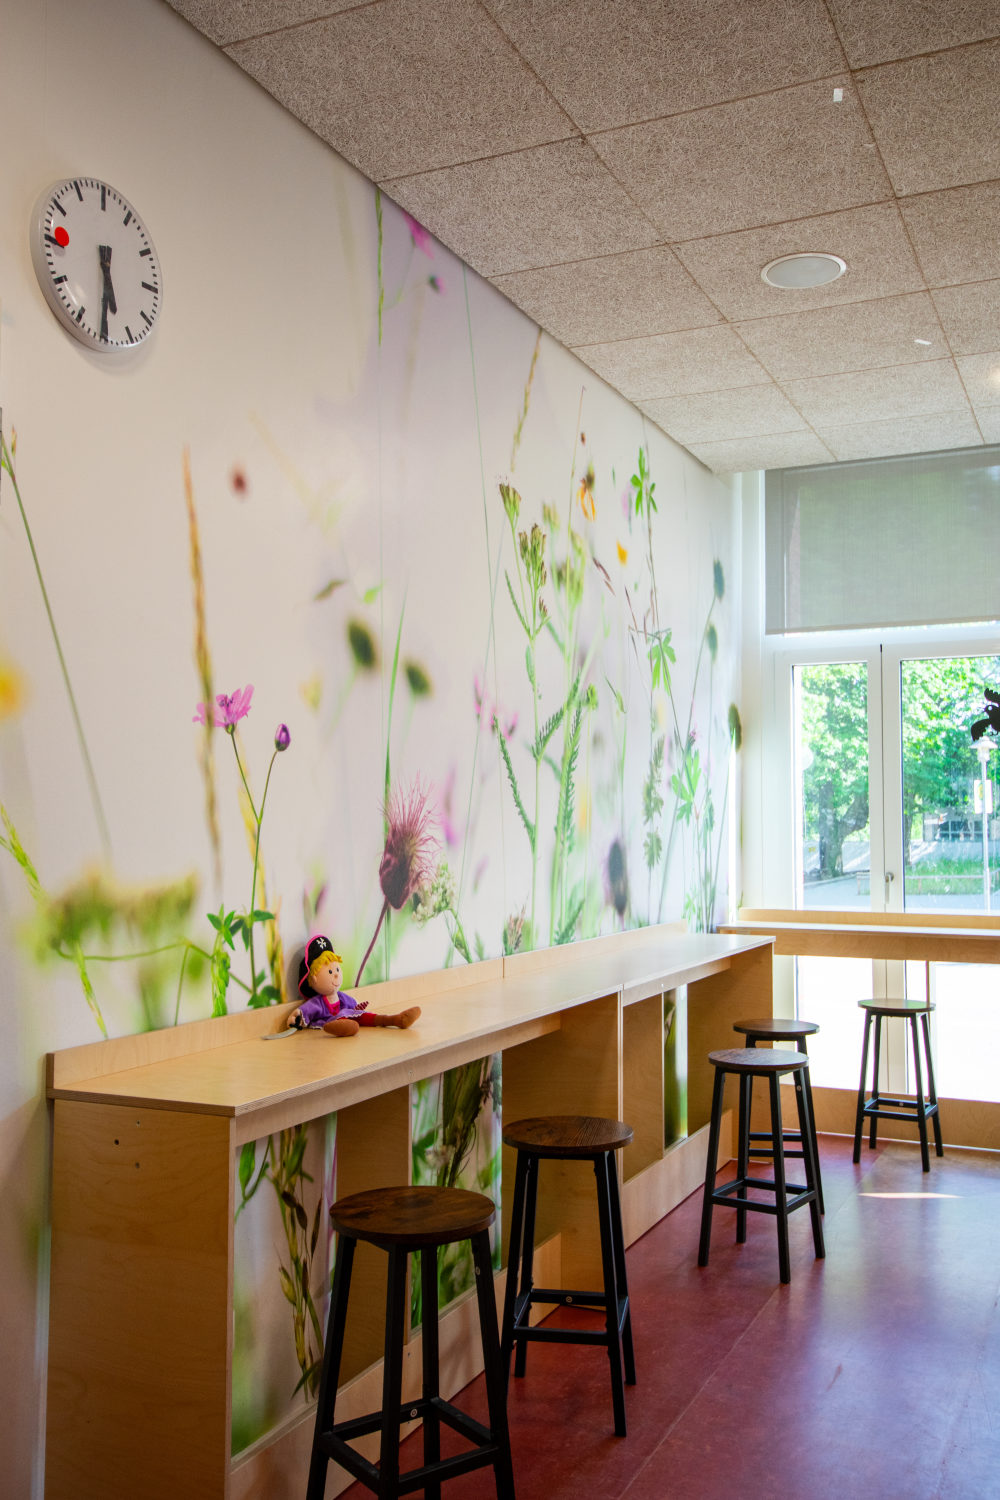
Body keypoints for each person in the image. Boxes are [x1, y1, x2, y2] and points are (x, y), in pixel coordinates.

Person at [289, 934, 421, 1036]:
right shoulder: (318, 1002)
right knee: (344, 1017)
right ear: (314, 979)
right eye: (330, 971)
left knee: (363, 1015)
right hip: (330, 1022)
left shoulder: (340, 997)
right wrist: (295, 1018)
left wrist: (357, 1008)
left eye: (337, 970)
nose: (335, 974)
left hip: (347, 1016)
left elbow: (352, 1005)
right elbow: (305, 1011)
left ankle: (394, 1019)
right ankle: (345, 1028)